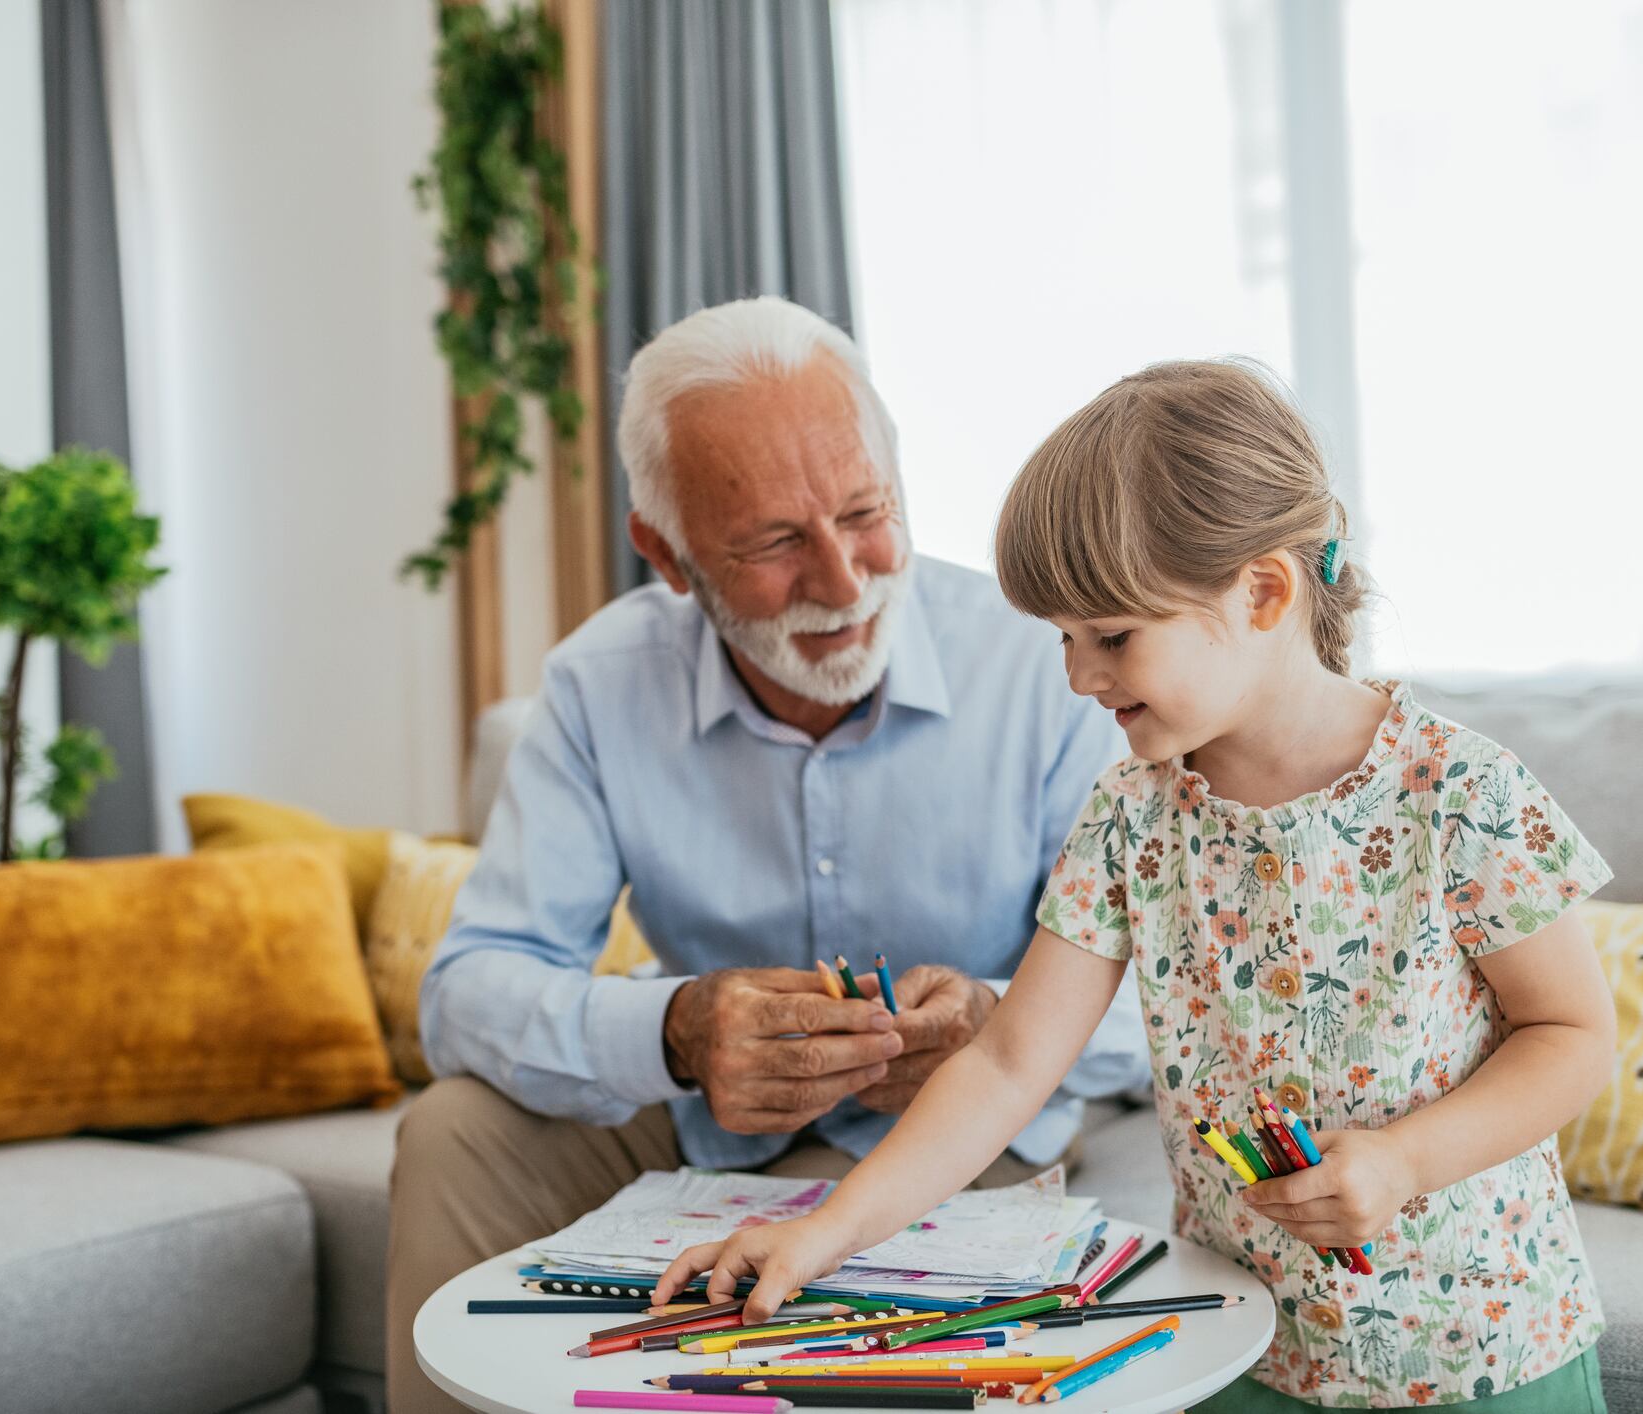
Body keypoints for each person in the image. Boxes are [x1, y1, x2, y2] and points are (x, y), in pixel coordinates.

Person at [652, 359, 1619, 1412]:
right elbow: (1009, 1059)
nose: (1077, 676)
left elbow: (1573, 1035)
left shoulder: (1457, 792)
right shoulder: (1131, 817)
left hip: (1482, 1349)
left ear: (1262, 591)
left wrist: (1402, 1160)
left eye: (1110, 637)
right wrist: (824, 1228)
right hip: (1242, 1347)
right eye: (1063, 639)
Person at [385, 297, 1150, 1412]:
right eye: (777, 544)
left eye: (863, 512)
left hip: (966, 1127)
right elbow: (467, 992)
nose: (844, 582)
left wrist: (998, 1027)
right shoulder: (600, 685)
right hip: (702, 1120)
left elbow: (1167, 988)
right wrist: (678, 1032)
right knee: (454, 1131)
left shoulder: (1047, 667)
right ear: (669, 553)